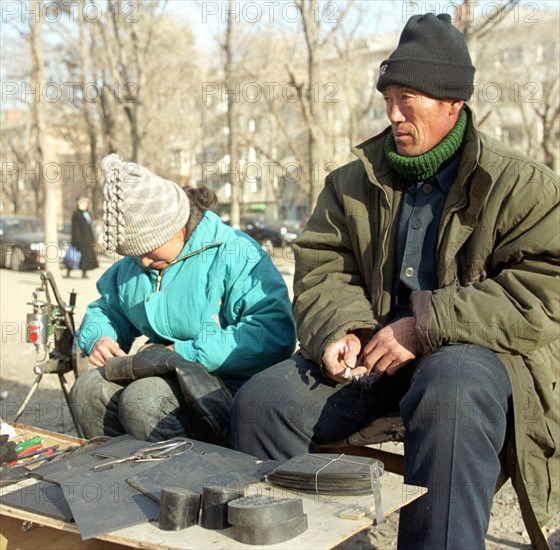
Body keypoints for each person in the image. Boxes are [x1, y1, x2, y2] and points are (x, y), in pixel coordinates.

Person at [232, 13, 559, 550]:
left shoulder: (521, 184)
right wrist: (342, 329)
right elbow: (323, 266)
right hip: (372, 357)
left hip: (474, 356)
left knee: (451, 391)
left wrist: (427, 325)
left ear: (452, 103)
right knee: (263, 404)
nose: (394, 114)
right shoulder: (351, 182)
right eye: (388, 98)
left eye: (409, 100)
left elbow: (546, 289)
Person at [70, 154, 296, 447]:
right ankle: (120, 480)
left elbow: (273, 333)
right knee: (87, 390)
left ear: (178, 229)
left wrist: (186, 352)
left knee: (145, 399)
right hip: (163, 374)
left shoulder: (234, 253)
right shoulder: (139, 264)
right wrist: (99, 337)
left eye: (150, 250)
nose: (144, 260)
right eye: (134, 254)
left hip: (231, 388)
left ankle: (190, 485)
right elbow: (108, 310)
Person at [66, 196, 99, 278]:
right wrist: (76, 240)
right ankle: (69, 271)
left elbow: (89, 227)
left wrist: (93, 238)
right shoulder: (76, 214)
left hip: (88, 239)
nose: (84, 205)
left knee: (86, 258)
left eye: (86, 203)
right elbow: (75, 229)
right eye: (82, 203)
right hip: (80, 240)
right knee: (76, 257)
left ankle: (84, 272)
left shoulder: (87, 213)